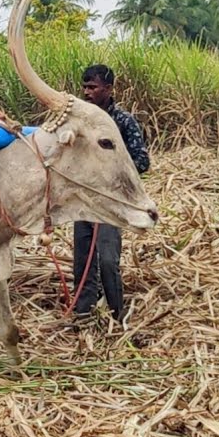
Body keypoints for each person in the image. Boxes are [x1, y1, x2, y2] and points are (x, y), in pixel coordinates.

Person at [71, 64, 150, 327]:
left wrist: (110, 175)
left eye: (92, 87)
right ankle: (83, 315)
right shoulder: (81, 122)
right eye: (84, 87)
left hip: (112, 203)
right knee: (83, 256)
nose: (87, 92)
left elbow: (141, 161)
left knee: (106, 257)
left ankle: (117, 315)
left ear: (109, 89)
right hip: (85, 200)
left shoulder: (124, 122)